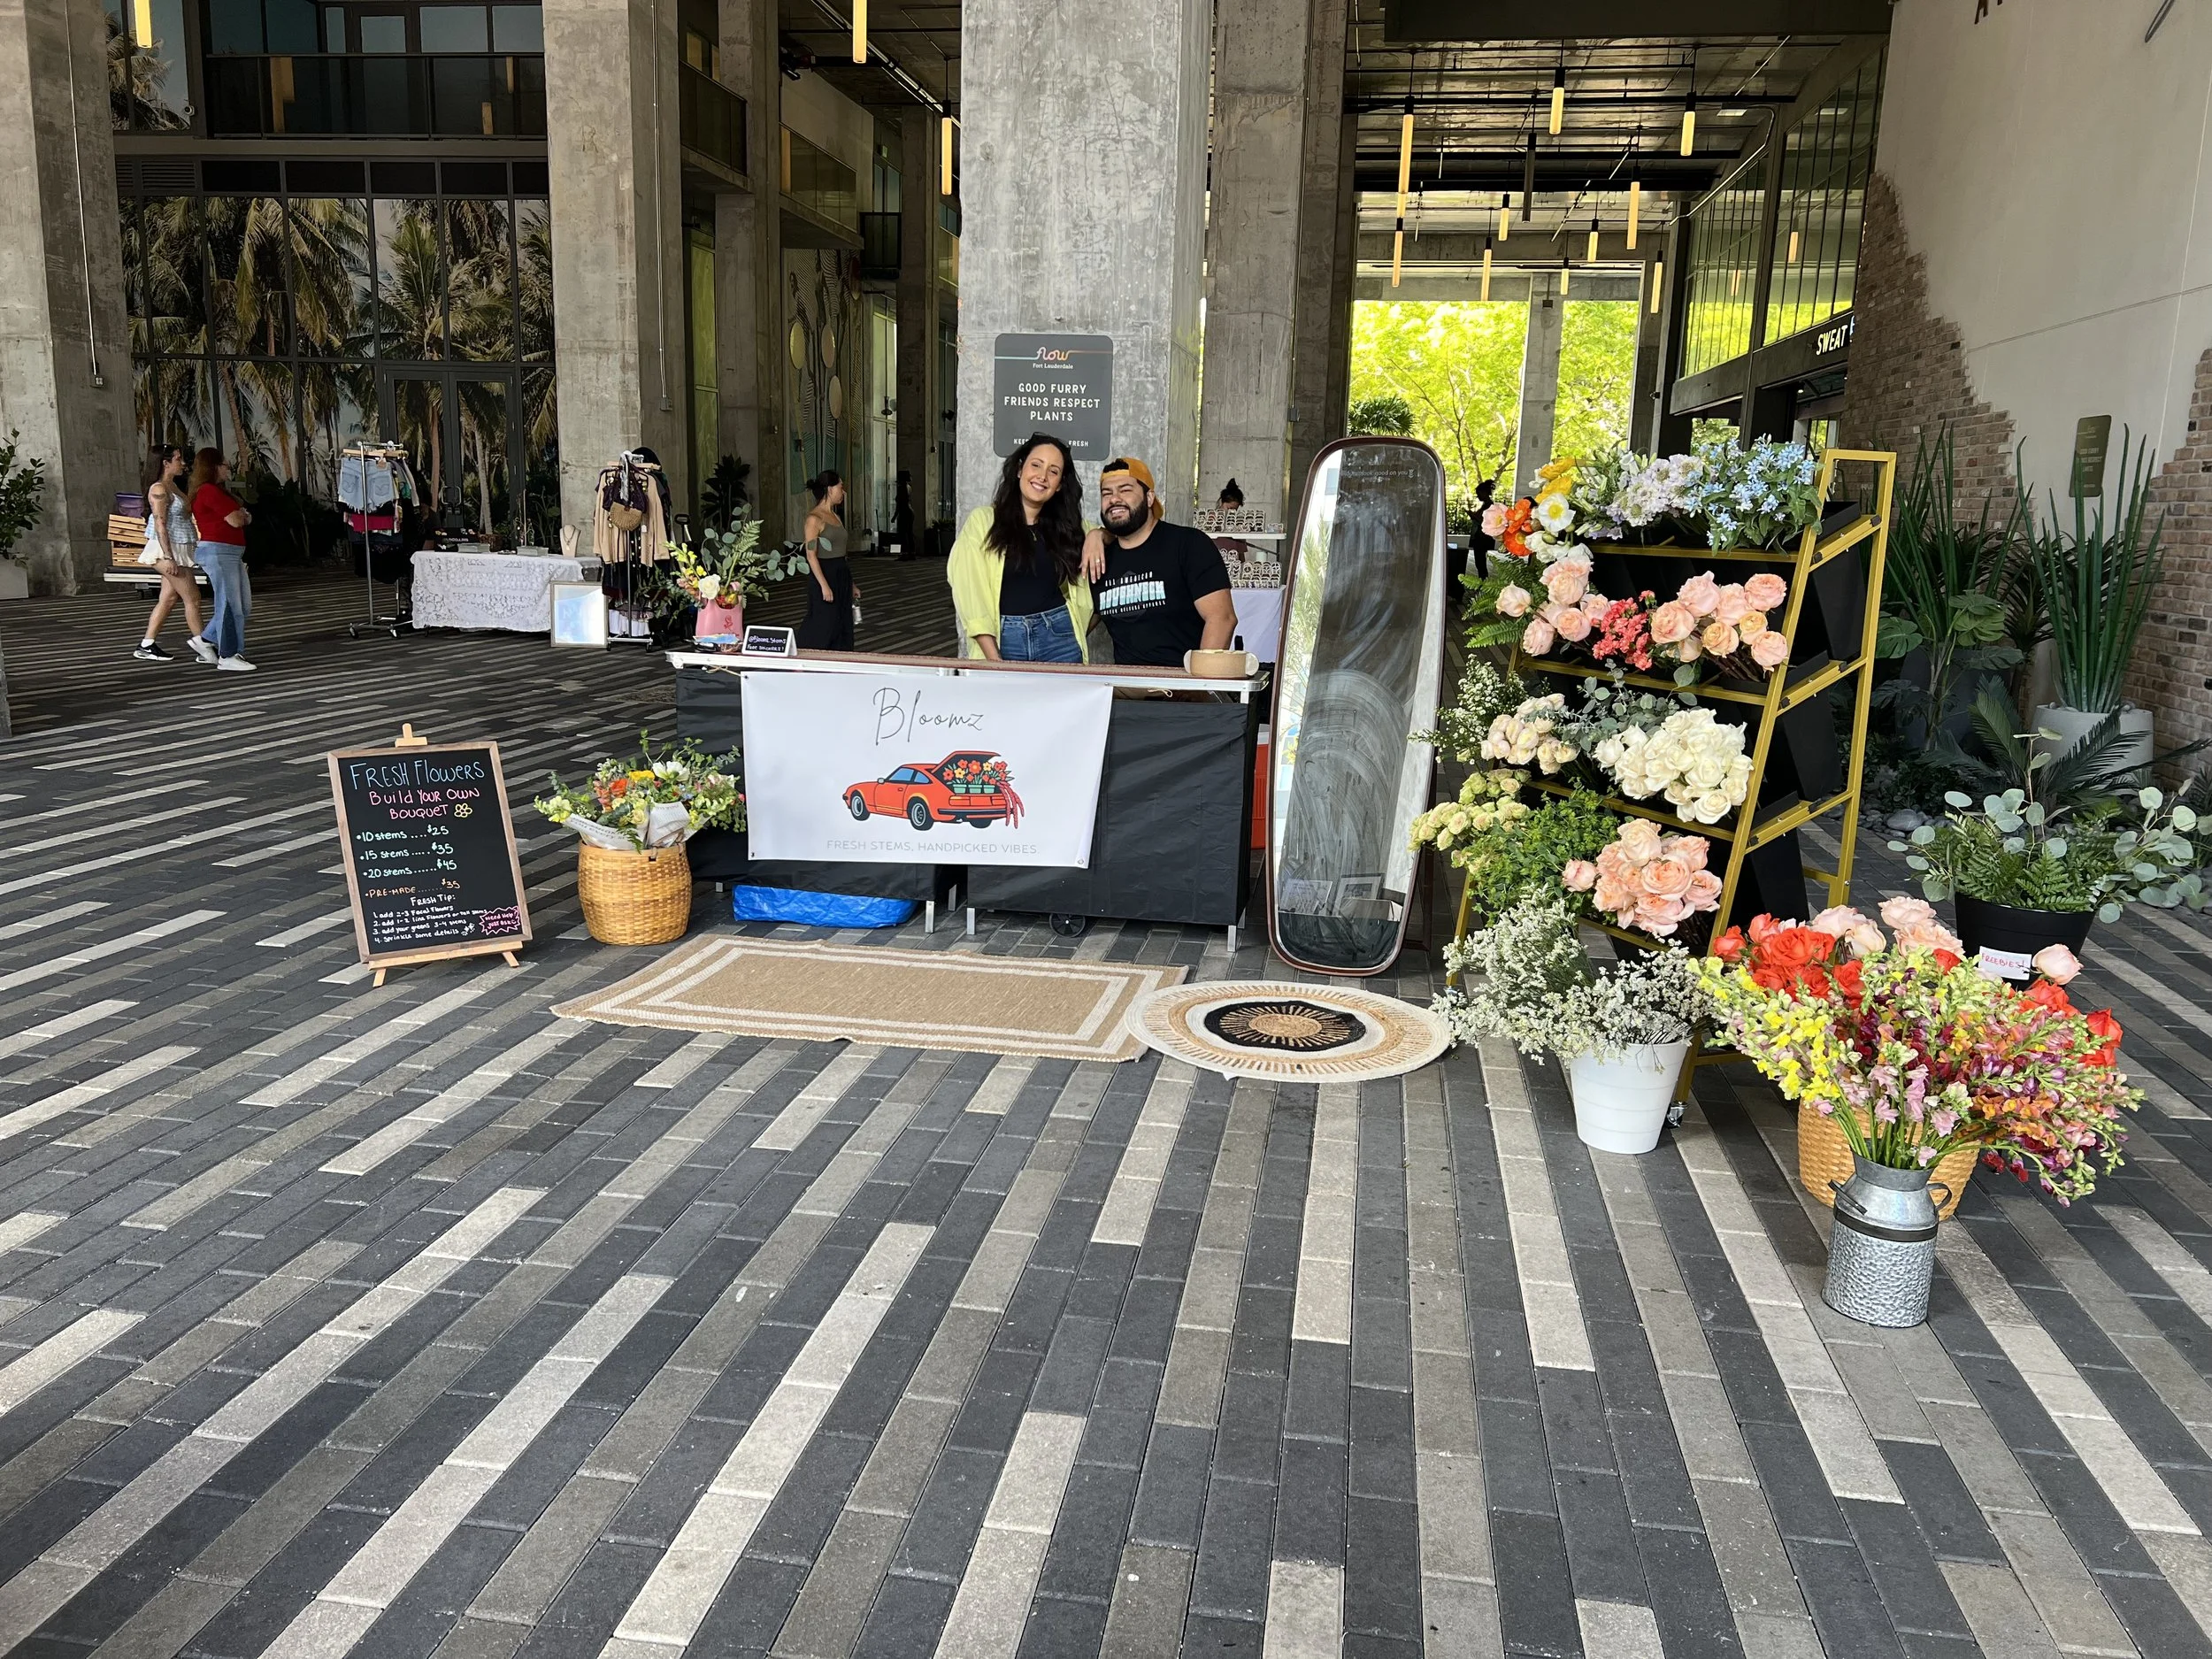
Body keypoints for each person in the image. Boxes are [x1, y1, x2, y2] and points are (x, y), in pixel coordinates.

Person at [948, 433, 1097, 663]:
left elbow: (1117, 538)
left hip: (1059, 637)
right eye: (1036, 465)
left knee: (1064, 700)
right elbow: (970, 593)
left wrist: (1098, 535)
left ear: (1059, 486)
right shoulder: (983, 522)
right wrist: (993, 659)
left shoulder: (1070, 529)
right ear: (1020, 470)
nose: (1043, 476)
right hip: (1005, 638)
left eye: (1053, 471)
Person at [1087, 456, 1235, 667]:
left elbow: (1222, 618)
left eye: (1125, 490)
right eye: (1106, 493)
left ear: (1149, 498)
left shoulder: (1188, 545)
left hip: (1181, 687)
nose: (1114, 499)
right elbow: (1076, 626)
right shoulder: (1100, 559)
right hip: (1128, 689)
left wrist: (1198, 687)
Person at [134, 445, 214, 664]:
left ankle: (147, 645)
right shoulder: (159, 489)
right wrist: (168, 557)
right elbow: (160, 524)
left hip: (178, 548)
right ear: (165, 463)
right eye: (178, 459)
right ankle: (204, 647)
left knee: (169, 598)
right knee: (193, 598)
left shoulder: (173, 487)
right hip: (166, 551)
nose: (183, 463)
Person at [188, 448, 254, 672]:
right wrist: (243, 516)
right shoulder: (208, 491)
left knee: (242, 605)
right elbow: (237, 519)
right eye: (225, 465)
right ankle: (228, 654)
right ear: (214, 467)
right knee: (229, 604)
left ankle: (205, 640)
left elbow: (242, 517)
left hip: (231, 552)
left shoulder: (217, 491)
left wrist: (242, 516)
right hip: (219, 551)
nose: (229, 469)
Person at [796, 470, 858, 651]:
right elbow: (810, 555)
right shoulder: (814, 519)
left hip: (841, 572)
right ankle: (805, 656)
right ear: (830, 489)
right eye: (841, 487)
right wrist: (824, 584)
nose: (843, 492)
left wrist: (852, 583)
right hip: (824, 572)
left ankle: (841, 661)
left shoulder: (836, 516)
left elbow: (842, 554)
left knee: (842, 620)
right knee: (824, 621)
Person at [893, 470, 918, 561]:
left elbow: (900, 504)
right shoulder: (908, 487)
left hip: (904, 512)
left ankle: (904, 554)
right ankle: (912, 553)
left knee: (903, 534)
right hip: (910, 512)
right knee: (909, 533)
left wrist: (895, 516)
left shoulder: (901, 488)